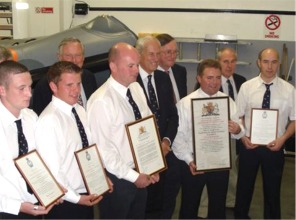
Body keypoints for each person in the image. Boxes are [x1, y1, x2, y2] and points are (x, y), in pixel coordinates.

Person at [87, 42, 160, 219]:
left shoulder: (135, 88)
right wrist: (133, 176)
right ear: (113, 66)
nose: (136, 70)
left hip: (141, 171)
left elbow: (149, 125)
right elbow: (104, 150)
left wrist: (153, 164)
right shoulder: (101, 101)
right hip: (119, 179)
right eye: (130, 66)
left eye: (137, 64)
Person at [172, 59, 244, 219]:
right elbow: (178, 138)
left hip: (219, 161)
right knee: (189, 206)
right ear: (199, 78)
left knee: (218, 207)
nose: (214, 82)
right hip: (193, 162)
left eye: (218, 77)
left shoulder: (227, 101)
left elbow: (239, 130)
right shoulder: (185, 104)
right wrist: (189, 160)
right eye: (209, 77)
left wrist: (237, 129)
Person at [35, 61, 104, 219]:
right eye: (69, 85)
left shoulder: (79, 110)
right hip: (66, 202)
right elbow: (52, 170)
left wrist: (100, 176)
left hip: (87, 192)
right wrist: (77, 198)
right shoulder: (49, 120)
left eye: (78, 84)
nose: (76, 90)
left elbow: (89, 148)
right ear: (53, 86)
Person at [234, 48, 295, 219]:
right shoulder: (247, 87)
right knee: (244, 189)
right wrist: (243, 138)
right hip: (249, 146)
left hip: (275, 147)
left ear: (278, 64)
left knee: (273, 192)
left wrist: (283, 139)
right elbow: (238, 116)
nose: (270, 66)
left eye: (274, 62)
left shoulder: (289, 90)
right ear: (258, 62)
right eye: (266, 61)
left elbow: (295, 120)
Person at [0, 60, 55, 219]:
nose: (29, 94)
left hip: (35, 205)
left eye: (30, 86)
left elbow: (41, 158)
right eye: (21, 88)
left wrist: (52, 188)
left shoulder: (31, 117)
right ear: (2, 90)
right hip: (7, 210)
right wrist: (16, 206)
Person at [198, 47, 247, 217]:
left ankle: (229, 201)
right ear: (218, 62)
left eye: (233, 61)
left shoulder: (241, 81)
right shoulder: (206, 83)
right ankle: (204, 208)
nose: (229, 65)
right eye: (225, 61)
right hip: (209, 135)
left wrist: (239, 129)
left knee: (231, 170)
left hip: (230, 135)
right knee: (208, 171)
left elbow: (242, 112)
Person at [135, 35, 179, 219]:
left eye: (158, 54)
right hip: (140, 155)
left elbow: (172, 115)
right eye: (151, 54)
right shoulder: (131, 80)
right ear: (139, 55)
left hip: (163, 152)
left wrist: (166, 141)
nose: (156, 58)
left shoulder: (162, 78)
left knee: (160, 204)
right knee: (141, 205)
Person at [156, 33, 188, 219]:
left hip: (181, 136)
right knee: (161, 185)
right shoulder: (153, 77)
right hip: (163, 139)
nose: (172, 56)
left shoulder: (180, 71)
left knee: (175, 184)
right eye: (168, 52)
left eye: (175, 52)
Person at [31, 37, 97, 115]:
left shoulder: (89, 77)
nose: (74, 60)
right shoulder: (44, 86)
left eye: (78, 55)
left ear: (83, 57)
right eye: (68, 55)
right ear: (59, 57)